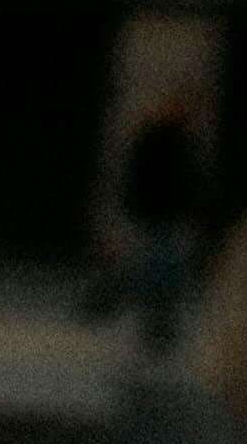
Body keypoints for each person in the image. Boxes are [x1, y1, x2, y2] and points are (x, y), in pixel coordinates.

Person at [88, 106, 211, 360]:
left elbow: (140, 177)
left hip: (157, 213)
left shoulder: (161, 143)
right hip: (160, 213)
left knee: (155, 270)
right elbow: (179, 180)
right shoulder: (170, 145)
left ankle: (148, 321)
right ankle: (149, 321)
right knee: (156, 270)